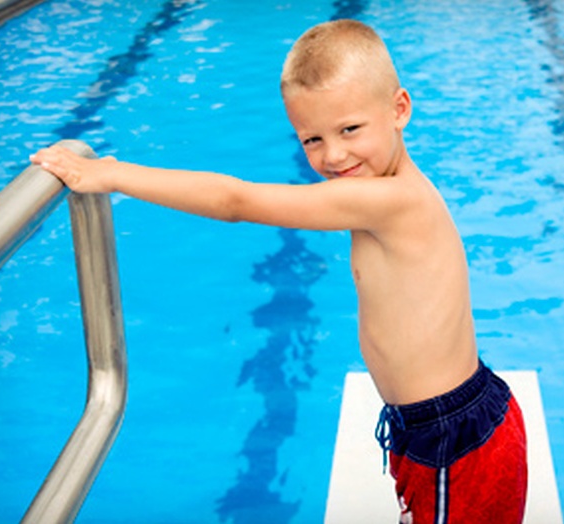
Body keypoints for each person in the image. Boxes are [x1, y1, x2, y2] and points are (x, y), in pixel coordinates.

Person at [31, 19, 527, 523]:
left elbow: (235, 200)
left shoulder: (392, 200)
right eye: (312, 139)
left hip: (456, 442)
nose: (334, 155)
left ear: (399, 109)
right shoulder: (382, 186)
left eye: (350, 129)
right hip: (432, 430)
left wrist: (112, 174)